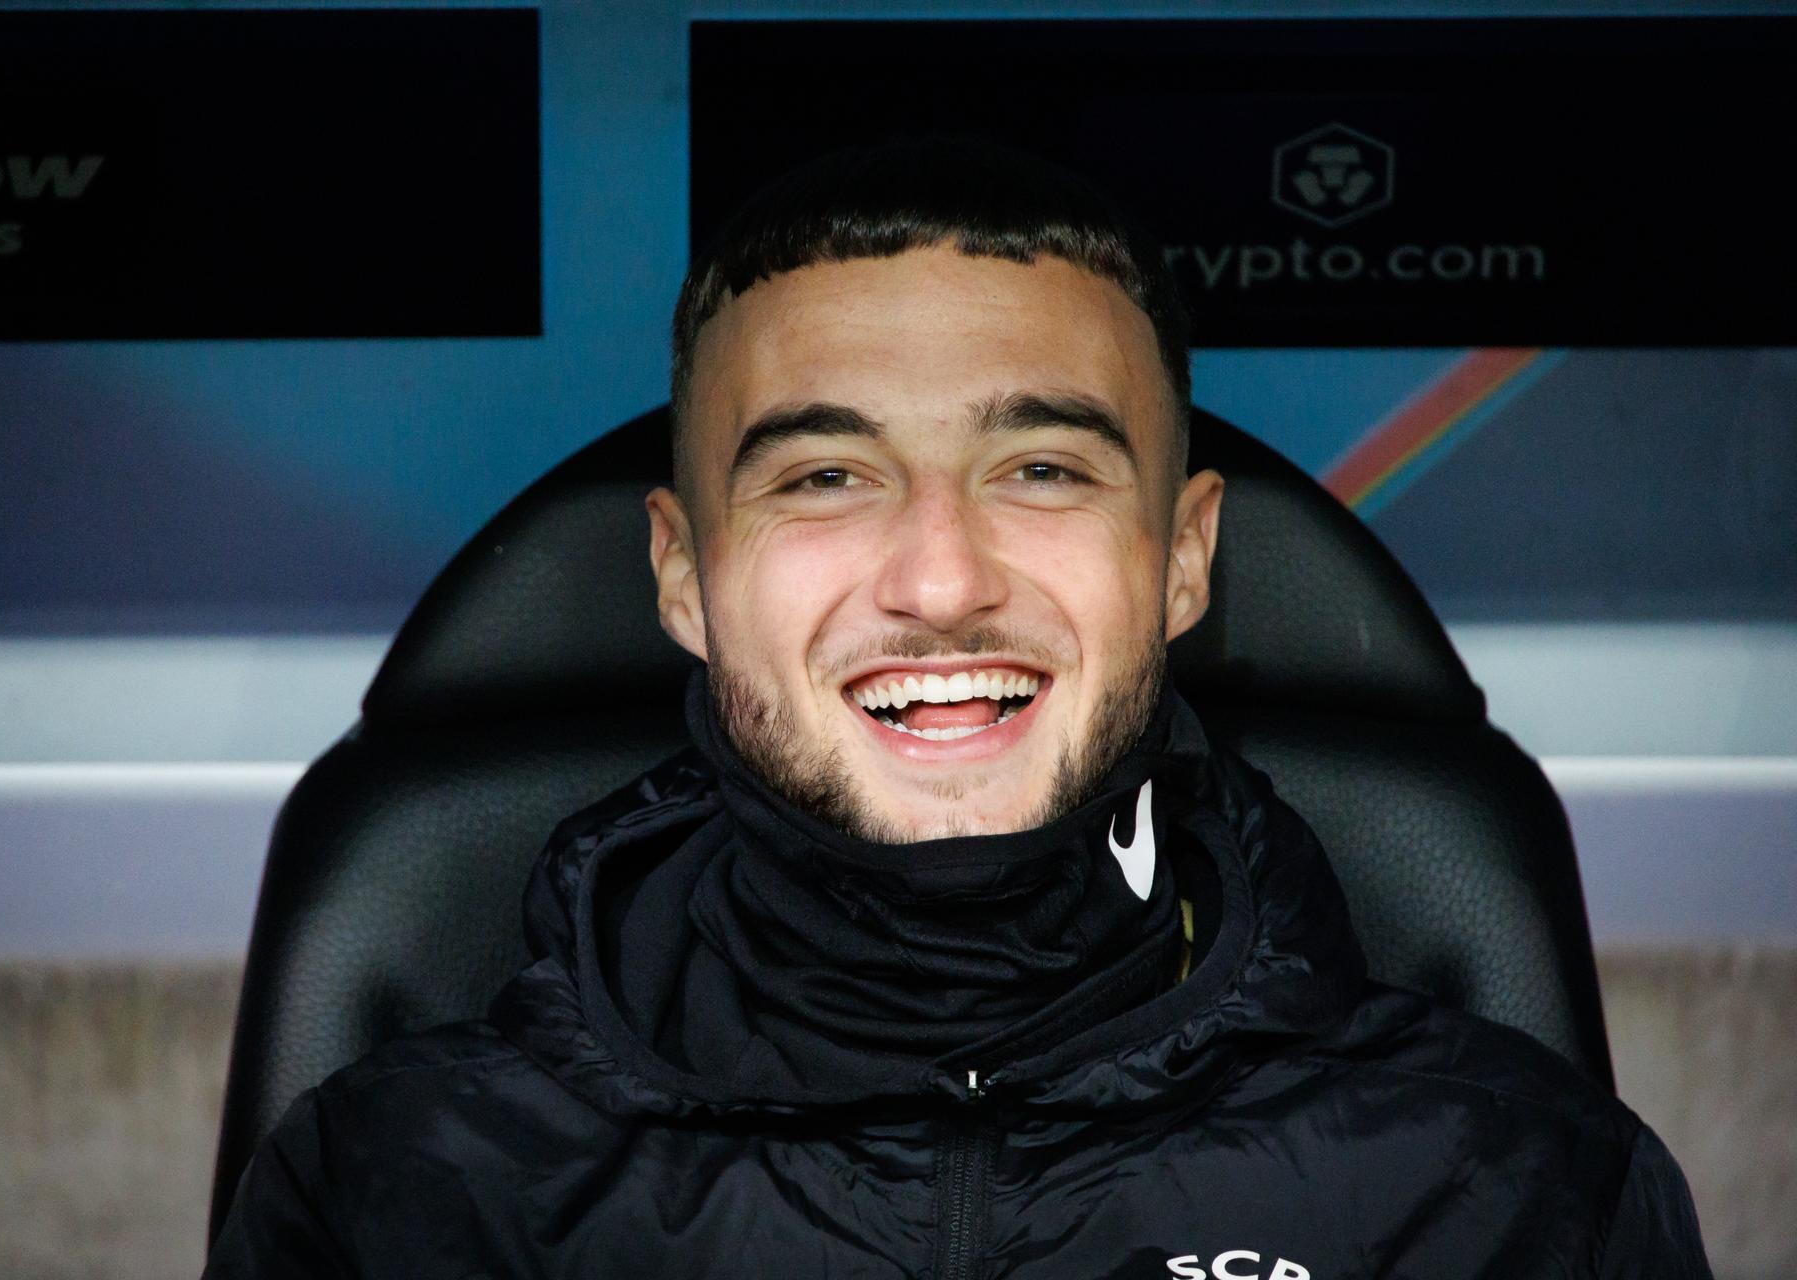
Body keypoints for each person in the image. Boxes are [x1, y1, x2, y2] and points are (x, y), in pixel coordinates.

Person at [205, 139, 1711, 1278]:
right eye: (824, 476)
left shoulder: (1520, 1193)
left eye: (1042, 468)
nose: (939, 581)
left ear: (1184, 557)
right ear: (683, 574)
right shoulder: (404, 1194)